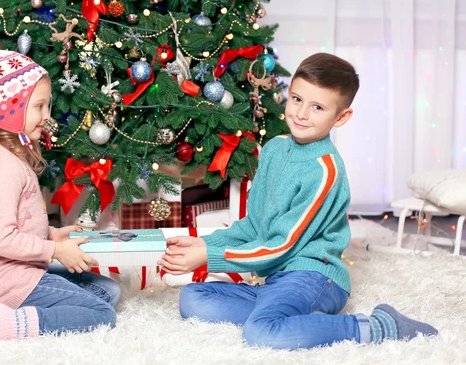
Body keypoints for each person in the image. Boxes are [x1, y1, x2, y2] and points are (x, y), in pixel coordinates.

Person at [159, 53, 437, 349]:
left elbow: (282, 245)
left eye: (317, 107)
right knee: (192, 299)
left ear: (341, 117)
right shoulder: (274, 149)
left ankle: (379, 325)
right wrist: (206, 245)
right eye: (296, 99)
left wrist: (210, 257)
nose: (302, 114)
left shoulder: (324, 171)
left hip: (313, 277)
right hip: (276, 279)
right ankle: (292, 318)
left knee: (262, 333)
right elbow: (254, 225)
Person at [0, 40, 120, 342]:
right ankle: (7, 323)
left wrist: (49, 235)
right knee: (102, 314)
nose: (47, 116)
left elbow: (18, 220)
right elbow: (0, 238)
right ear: (9, 109)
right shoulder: (3, 166)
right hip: (2, 280)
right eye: (39, 106)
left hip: (19, 272)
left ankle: (6, 310)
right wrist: (55, 251)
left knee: (108, 290)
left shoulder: (9, 157)